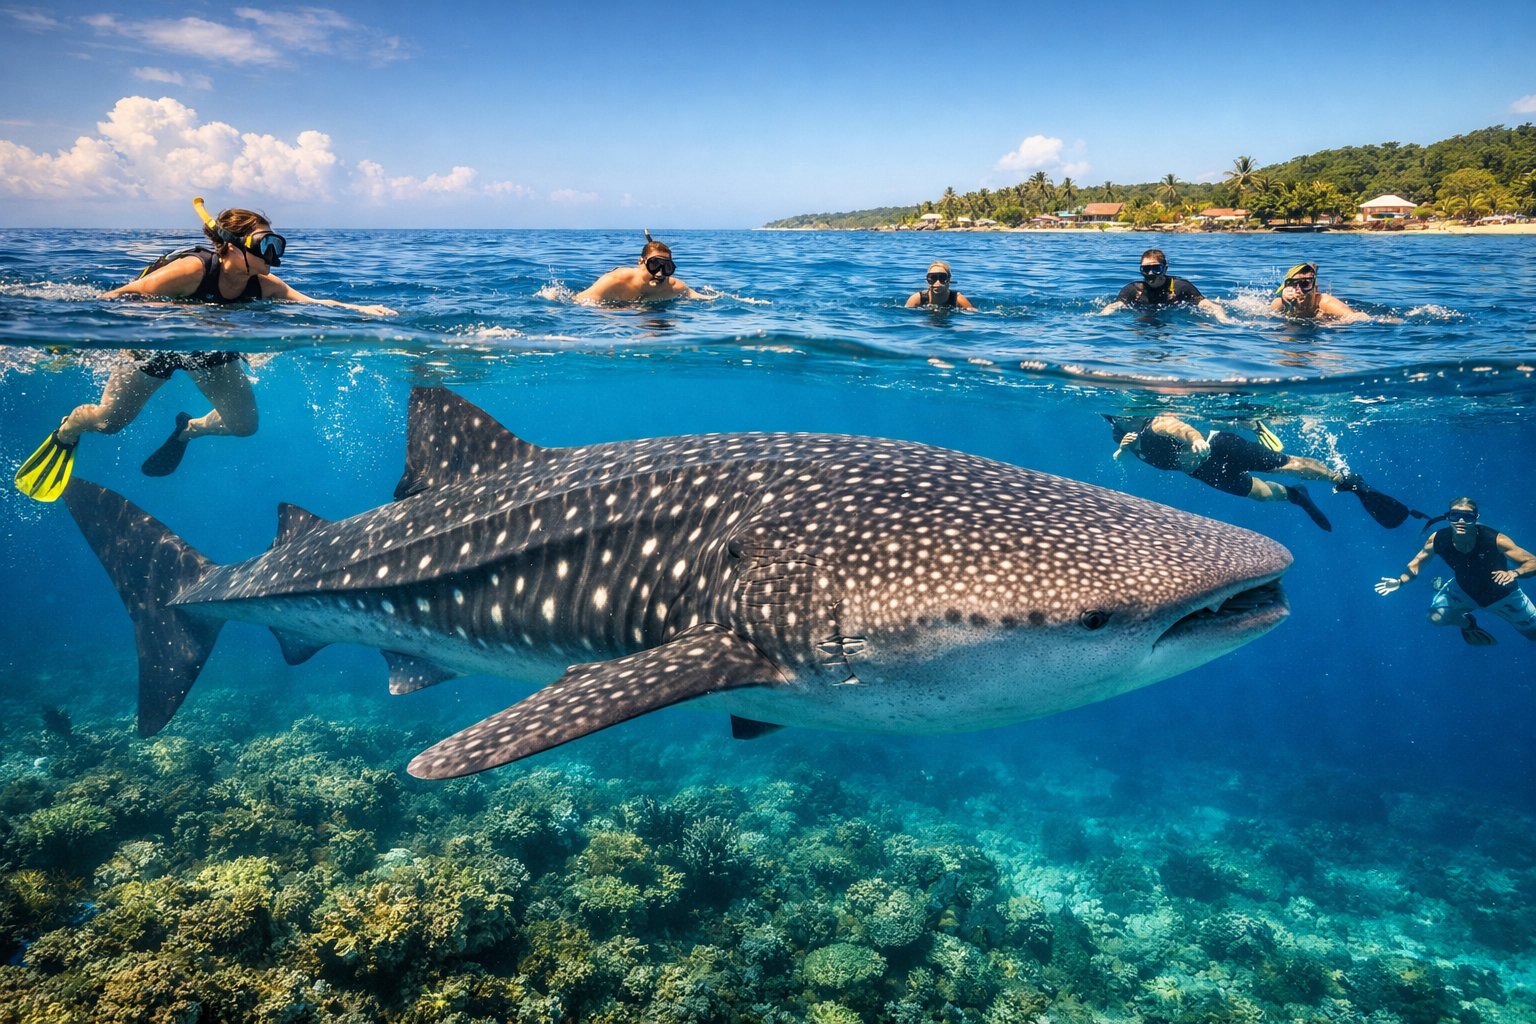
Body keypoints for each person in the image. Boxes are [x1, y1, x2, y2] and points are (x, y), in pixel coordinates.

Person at [13, 197, 397, 499]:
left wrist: (361, 309)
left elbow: (314, 304)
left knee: (245, 426)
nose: (273, 254)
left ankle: (189, 430)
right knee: (108, 423)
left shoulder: (264, 286)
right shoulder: (192, 270)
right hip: (153, 348)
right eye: (264, 243)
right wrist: (68, 336)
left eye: (275, 243)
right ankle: (68, 430)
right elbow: (119, 297)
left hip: (210, 350)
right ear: (231, 246)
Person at [1106, 413, 1365, 531]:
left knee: (1285, 465)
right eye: (1115, 419)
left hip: (1220, 447)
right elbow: (1123, 464)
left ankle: (1339, 478)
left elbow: (1182, 430)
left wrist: (1196, 440)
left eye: (1122, 416)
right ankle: (1297, 495)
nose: (1119, 420)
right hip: (1203, 472)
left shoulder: (1157, 423)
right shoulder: (1122, 435)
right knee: (1259, 494)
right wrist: (1121, 451)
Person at [1373, 497, 1536, 645]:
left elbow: (1532, 562)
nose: (1461, 521)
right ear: (1448, 517)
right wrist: (1400, 581)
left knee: (1533, 635)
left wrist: (1515, 573)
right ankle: (1468, 623)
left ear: (1476, 518)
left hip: (1504, 596)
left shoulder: (1495, 539)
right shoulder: (1438, 540)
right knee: (1435, 617)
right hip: (1464, 589)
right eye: (1455, 515)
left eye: (1468, 517)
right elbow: (1416, 564)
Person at [1098, 249, 1232, 322]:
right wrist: (1102, 317)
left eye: (1156, 269)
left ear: (1165, 269)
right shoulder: (1133, 290)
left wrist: (1223, 319)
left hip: (1173, 323)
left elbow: (1208, 305)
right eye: (1145, 269)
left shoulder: (1181, 287)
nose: (1150, 274)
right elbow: (1114, 306)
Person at [574, 232, 707, 303]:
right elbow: (578, 301)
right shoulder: (614, 281)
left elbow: (700, 297)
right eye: (654, 265)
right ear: (640, 262)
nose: (660, 274)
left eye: (666, 267)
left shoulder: (674, 287)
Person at [1269, 261, 1365, 322]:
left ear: (1316, 288)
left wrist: (1336, 323)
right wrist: (1286, 303)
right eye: (1293, 284)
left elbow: (1359, 317)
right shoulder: (1280, 302)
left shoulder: (1325, 302)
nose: (1298, 290)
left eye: (1305, 284)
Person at [905, 260, 974, 309]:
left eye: (942, 278)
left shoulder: (958, 299)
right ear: (927, 280)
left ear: (949, 280)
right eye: (933, 278)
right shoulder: (917, 299)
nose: (937, 283)